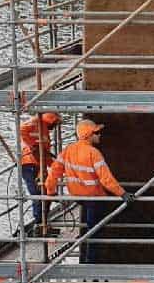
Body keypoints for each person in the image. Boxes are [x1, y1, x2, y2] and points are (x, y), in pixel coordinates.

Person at [44, 118, 133, 263]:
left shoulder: (68, 150)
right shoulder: (93, 153)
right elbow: (106, 178)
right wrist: (122, 193)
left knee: (89, 224)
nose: (100, 135)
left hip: (77, 196)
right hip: (93, 198)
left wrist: (50, 191)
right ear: (89, 135)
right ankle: (91, 260)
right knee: (94, 229)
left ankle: (88, 255)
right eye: (97, 133)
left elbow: (54, 172)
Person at [20, 111, 61, 229]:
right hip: (29, 163)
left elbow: (46, 155)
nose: (55, 127)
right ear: (51, 120)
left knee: (48, 191)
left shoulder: (45, 131)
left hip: (39, 165)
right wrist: (33, 146)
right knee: (38, 194)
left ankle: (43, 221)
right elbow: (22, 130)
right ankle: (39, 223)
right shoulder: (36, 122)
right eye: (56, 123)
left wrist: (58, 166)